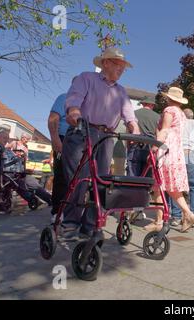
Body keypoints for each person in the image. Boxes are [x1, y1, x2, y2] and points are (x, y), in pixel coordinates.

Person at [61, 47, 140, 239]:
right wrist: (74, 112)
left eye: (123, 67)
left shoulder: (121, 91)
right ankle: (70, 222)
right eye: (117, 64)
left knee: (102, 182)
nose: (121, 69)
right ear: (105, 63)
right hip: (83, 129)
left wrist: (135, 129)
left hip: (106, 136)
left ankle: (90, 224)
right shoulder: (86, 78)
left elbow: (129, 115)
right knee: (79, 178)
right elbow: (74, 99)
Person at [144, 87, 194, 233]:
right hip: (176, 149)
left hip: (166, 147)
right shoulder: (181, 114)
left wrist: (155, 147)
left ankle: (159, 221)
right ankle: (188, 213)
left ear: (169, 98)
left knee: (159, 184)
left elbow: (165, 129)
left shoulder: (169, 110)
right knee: (170, 186)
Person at [0, 127, 52, 206]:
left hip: (16, 171)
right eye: (4, 137)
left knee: (33, 183)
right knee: (20, 184)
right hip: (6, 173)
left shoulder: (9, 150)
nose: (6, 140)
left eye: (7, 138)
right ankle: (33, 200)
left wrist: (24, 169)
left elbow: (17, 161)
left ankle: (50, 199)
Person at [126, 103, 160, 223]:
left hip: (135, 145)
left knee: (132, 179)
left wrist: (128, 147)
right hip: (149, 148)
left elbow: (129, 130)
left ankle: (130, 210)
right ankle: (140, 210)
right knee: (145, 181)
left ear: (143, 104)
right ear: (152, 105)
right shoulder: (157, 117)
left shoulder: (135, 113)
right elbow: (158, 134)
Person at [170, 108, 194, 226]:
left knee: (176, 186)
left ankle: (176, 216)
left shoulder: (175, 123)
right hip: (190, 154)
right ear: (191, 116)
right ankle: (193, 215)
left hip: (178, 155)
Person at [48, 93, 69, 223]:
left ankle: (72, 211)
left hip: (81, 140)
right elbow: (53, 119)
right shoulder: (64, 98)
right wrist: (55, 139)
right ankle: (57, 211)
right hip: (64, 138)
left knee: (79, 178)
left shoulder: (87, 101)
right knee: (61, 175)